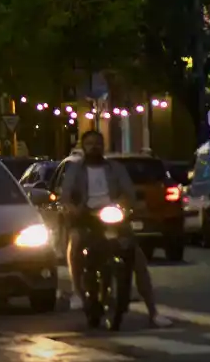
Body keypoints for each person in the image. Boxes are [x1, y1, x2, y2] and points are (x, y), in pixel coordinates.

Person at [59, 129, 171, 328]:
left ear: (104, 146)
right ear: (83, 147)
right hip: (86, 216)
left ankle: (153, 311)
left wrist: (124, 204)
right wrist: (73, 209)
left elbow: (128, 193)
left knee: (137, 258)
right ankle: (78, 292)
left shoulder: (115, 168)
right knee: (75, 242)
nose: (95, 146)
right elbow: (66, 196)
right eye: (90, 143)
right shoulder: (75, 170)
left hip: (112, 216)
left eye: (98, 143)